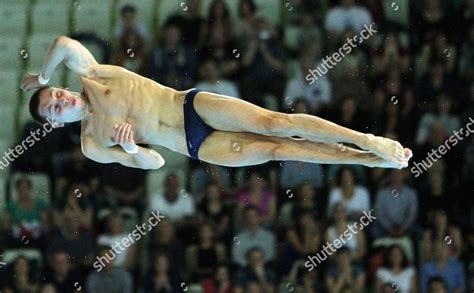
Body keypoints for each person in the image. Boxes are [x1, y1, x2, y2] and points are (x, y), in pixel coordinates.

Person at [22, 36, 412, 170]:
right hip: (195, 146)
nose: (60, 99)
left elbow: (63, 45)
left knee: (277, 123)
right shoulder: (92, 144)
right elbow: (154, 163)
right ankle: (367, 158)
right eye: (54, 108)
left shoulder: (93, 74)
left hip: (190, 107)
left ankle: (367, 139)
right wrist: (129, 147)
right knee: (279, 150)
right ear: (56, 123)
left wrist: (39, 77)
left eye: (55, 92)